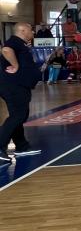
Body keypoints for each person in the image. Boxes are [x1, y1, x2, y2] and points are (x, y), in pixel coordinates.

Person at [0, 23, 42, 163]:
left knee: (18, 115)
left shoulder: (21, 44)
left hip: (18, 86)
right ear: (23, 30)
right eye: (31, 30)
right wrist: (16, 66)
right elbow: (6, 50)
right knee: (19, 115)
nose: (33, 32)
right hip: (13, 86)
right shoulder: (14, 41)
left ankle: (22, 146)